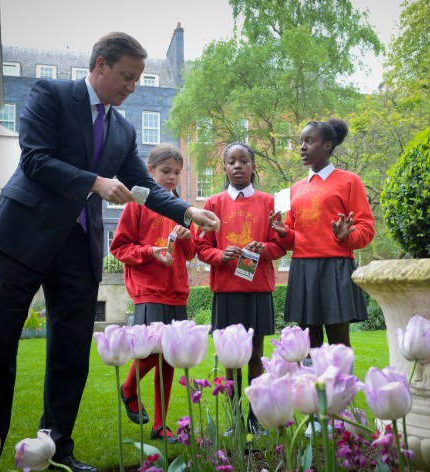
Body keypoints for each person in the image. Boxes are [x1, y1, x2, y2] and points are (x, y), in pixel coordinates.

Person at [0, 33, 219, 472]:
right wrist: (94, 182)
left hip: (77, 251)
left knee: (70, 354)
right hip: (22, 239)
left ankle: (57, 448)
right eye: (126, 76)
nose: (132, 87)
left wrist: (188, 210)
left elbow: (141, 185)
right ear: (100, 65)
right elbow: (35, 160)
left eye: (138, 79)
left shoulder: (123, 128)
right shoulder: (52, 95)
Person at [195, 142, 286, 434]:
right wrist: (221, 256)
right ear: (224, 167)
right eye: (231, 161)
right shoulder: (212, 204)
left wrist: (265, 247)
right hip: (226, 290)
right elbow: (201, 247)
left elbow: (281, 244)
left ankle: (256, 420)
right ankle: (236, 420)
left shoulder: (269, 202)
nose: (238, 166)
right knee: (230, 357)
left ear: (253, 166)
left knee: (256, 354)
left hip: (258, 288)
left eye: (244, 160)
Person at [110, 144, 193, 443]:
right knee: (151, 351)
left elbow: (192, 252)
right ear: (150, 172)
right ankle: (129, 388)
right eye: (165, 171)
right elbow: (119, 248)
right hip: (147, 290)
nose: (172, 178)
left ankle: (160, 425)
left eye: (176, 173)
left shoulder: (182, 208)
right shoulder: (137, 203)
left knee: (168, 357)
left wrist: (185, 237)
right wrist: (150, 252)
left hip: (177, 290)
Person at [269, 118, 374, 350]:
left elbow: (366, 228)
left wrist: (345, 236)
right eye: (300, 142)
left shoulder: (349, 181)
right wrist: (283, 233)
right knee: (308, 343)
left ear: (327, 145)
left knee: (339, 341)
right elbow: (292, 237)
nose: (302, 147)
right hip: (303, 269)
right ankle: (310, 387)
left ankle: (341, 386)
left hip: (335, 268)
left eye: (309, 141)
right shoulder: (295, 189)